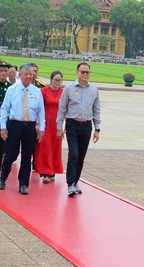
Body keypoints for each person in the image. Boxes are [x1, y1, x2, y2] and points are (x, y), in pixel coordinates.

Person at [0, 63, 45, 195]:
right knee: (11, 154)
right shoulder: (12, 90)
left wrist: (41, 128)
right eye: (26, 74)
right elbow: (5, 109)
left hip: (29, 126)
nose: (29, 76)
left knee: (27, 156)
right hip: (15, 125)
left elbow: (41, 112)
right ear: (20, 75)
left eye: (31, 74)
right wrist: (3, 127)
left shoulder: (36, 91)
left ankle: (23, 183)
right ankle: (3, 177)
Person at [57, 62, 101, 197]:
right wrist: (59, 127)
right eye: (82, 72)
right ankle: (70, 183)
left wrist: (97, 129)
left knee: (81, 156)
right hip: (72, 125)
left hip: (86, 126)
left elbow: (96, 110)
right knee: (74, 154)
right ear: (77, 72)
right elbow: (62, 109)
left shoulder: (94, 90)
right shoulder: (69, 89)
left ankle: (76, 181)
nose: (85, 75)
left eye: (87, 72)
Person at [35, 70, 65, 182]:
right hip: (46, 123)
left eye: (59, 80)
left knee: (55, 148)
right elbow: (38, 107)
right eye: (55, 80)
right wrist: (38, 123)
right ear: (51, 80)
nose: (57, 82)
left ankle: (53, 171)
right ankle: (45, 172)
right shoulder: (44, 91)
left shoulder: (63, 92)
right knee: (45, 147)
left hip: (57, 124)